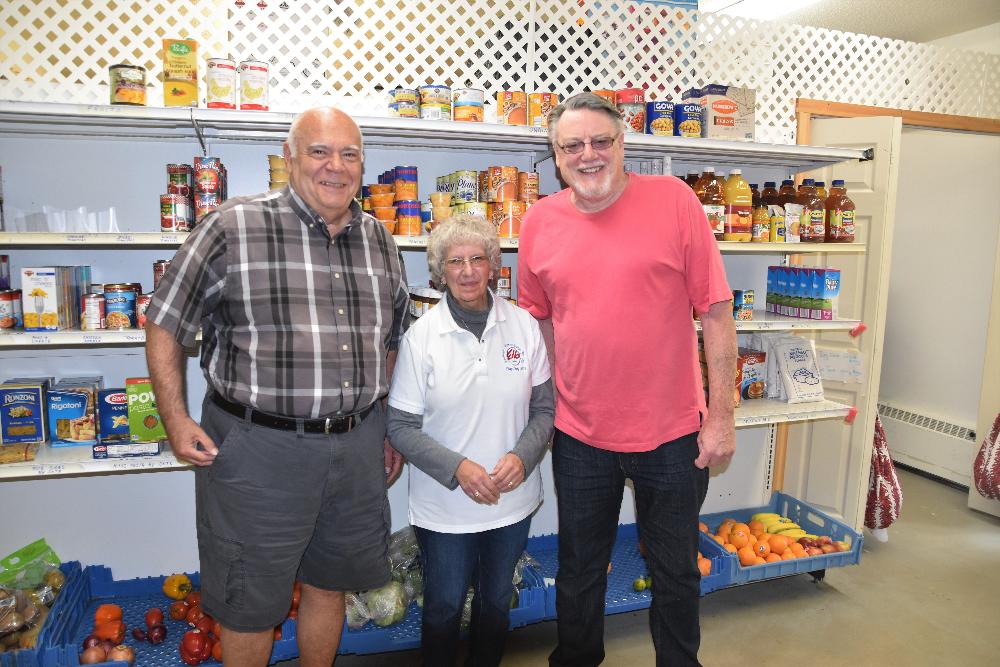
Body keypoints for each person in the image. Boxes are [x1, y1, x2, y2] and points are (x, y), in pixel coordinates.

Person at [144, 106, 409, 667]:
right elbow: (165, 319)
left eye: (349, 154)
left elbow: (393, 338)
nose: (335, 167)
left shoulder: (380, 240)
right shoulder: (231, 227)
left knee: (329, 583)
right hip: (257, 451)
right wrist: (175, 417)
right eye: (319, 151)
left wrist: (385, 424)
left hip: (356, 445)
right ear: (288, 158)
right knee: (249, 604)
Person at [517, 92, 738, 667]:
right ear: (556, 155)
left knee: (674, 570)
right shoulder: (539, 221)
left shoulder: (675, 202)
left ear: (623, 145)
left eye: (601, 142)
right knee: (580, 569)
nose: (589, 155)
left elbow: (715, 311)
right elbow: (538, 323)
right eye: (573, 145)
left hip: (671, 434)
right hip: (580, 432)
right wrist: (545, 411)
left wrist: (721, 416)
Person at [387, 214, 554, 667]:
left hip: (511, 500)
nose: (466, 271)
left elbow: (544, 409)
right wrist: (458, 467)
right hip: (445, 509)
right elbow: (399, 426)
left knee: (497, 601)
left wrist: (524, 456)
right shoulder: (422, 338)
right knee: (442, 607)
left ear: (494, 265)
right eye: (454, 261)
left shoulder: (522, 326)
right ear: (439, 272)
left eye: (477, 258)